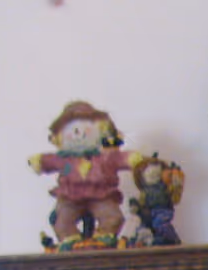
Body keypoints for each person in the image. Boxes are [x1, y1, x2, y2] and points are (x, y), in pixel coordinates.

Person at [28, 101, 140, 249]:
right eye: (71, 130)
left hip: (101, 194)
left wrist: (132, 159)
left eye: (84, 128)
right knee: (62, 220)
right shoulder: (64, 159)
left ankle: (104, 237)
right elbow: (48, 161)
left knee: (113, 217)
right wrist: (38, 161)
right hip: (70, 196)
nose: (78, 134)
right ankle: (70, 240)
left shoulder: (105, 157)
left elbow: (119, 159)